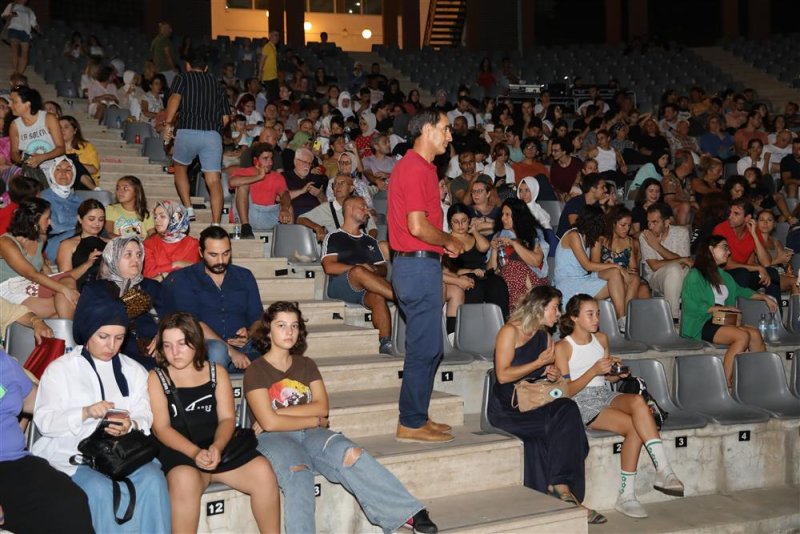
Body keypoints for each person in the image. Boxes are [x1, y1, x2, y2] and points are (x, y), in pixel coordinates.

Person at [244, 301, 439, 534]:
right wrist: (311, 418)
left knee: (351, 453)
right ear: (268, 330)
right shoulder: (256, 370)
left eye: (294, 326)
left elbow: (322, 407)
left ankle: (409, 513)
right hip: (274, 438)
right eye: (281, 325)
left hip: (311, 433)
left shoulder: (306, 365)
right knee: (299, 472)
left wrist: (283, 413)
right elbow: (270, 424)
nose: (289, 332)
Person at [32, 298, 171, 533]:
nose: (111, 346)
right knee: (98, 489)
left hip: (123, 454)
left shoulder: (132, 369)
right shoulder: (61, 369)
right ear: (87, 333)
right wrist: (84, 413)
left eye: (119, 338)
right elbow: (45, 422)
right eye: (103, 337)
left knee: (154, 480)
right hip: (73, 454)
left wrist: (131, 424)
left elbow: (144, 413)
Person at [148, 313, 281, 533]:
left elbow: (228, 418)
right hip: (181, 450)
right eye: (168, 345)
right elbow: (160, 428)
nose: (175, 352)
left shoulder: (215, 371)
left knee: (262, 470)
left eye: (182, 343)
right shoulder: (157, 377)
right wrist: (194, 453)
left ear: (196, 341)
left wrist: (217, 447)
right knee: (184, 480)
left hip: (218, 446)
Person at [555, 294, 684, 519]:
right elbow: (566, 391)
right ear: (574, 317)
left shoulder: (602, 339)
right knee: (634, 427)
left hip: (605, 394)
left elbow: (608, 380)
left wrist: (618, 373)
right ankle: (627, 496)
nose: (596, 318)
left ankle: (663, 470)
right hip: (581, 402)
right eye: (590, 314)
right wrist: (594, 371)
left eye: (598, 313)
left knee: (637, 400)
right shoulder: (563, 347)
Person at [486, 287, 601, 524]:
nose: (558, 314)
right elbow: (503, 375)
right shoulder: (509, 332)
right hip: (508, 409)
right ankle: (565, 492)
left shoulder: (544, 337)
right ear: (539, 308)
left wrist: (551, 372)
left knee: (567, 409)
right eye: (555, 307)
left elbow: (545, 378)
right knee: (567, 423)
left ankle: (560, 487)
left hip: (535, 402)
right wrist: (537, 363)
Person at [388, 110, 464, 443]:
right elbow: (417, 226)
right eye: (446, 130)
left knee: (432, 347)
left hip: (424, 265)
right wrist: (450, 240)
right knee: (423, 348)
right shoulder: (414, 168)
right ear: (428, 129)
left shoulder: (423, 168)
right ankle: (410, 422)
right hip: (415, 266)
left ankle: (418, 415)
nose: (450, 136)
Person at [0, 349, 94, 534]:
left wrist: (83, 413)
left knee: (72, 501)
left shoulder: (3, 361)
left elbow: (33, 400)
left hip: (14, 461)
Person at [161, 226, 263, 371]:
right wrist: (231, 352)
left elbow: (257, 318)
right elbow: (193, 324)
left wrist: (249, 333)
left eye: (226, 253)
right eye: (213, 255)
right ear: (201, 252)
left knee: (273, 343)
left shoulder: (244, 276)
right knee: (217, 350)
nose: (221, 261)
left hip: (245, 347)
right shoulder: (185, 278)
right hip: (205, 347)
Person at [681, 236, 775, 384]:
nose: (728, 252)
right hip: (701, 323)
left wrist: (764, 298)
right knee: (742, 336)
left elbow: (742, 291)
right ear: (711, 249)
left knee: (755, 334)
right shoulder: (695, 275)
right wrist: (719, 308)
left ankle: (758, 381)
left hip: (721, 320)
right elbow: (691, 305)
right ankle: (725, 383)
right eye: (724, 247)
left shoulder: (723, 275)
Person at [322, 196, 395, 355]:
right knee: (358, 271)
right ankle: (401, 298)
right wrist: (359, 268)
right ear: (348, 209)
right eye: (362, 207)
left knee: (377, 296)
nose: (367, 211)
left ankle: (385, 342)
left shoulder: (369, 240)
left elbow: (382, 269)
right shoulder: (334, 236)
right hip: (341, 285)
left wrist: (374, 271)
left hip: (367, 286)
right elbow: (329, 267)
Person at [75, 237, 163, 369]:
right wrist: (131, 304)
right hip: (114, 355)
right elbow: (79, 332)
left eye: (139, 255)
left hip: (158, 353)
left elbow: (175, 318)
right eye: (128, 255)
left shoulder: (152, 287)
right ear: (113, 257)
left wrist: (164, 335)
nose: (136, 260)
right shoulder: (95, 290)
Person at [164, 49, 229, 224]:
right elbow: (226, 118)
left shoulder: (183, 77)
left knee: (180, 168)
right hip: (212, 135)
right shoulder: (217, 84)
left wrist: (168, 124)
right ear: (206, 68)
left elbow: (174, 99)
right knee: (214, 180)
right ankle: (216, 222)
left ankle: (189, 208)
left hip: (187, 130)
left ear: (188, 65)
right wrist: (213, 131)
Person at [0, 198, 79, 319]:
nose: (50, 223)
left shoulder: (40, 238)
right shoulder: (6, 243)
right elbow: (31, 273)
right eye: (47, 218)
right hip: (9, 289)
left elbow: (40, 265)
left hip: (31, 283)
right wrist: (63, 290)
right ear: (34, 221)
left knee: (68, 281)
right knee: (62, 304)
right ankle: (66, 331)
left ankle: (63, 330)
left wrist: (54, 279)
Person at [555, 204, 628, 330]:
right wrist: (617, 265)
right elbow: (587, 265)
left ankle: (621, 319)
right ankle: (615, 319)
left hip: (583, 278)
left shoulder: (587, 237)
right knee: (617, 274)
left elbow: (592, 265)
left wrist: (615, 268)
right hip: (568, 282)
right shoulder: (573, 235)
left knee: (616, 275)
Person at [443, 203, 509, 331]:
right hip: (462, 276)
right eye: (456, 222)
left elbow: (484, 247)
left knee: (498, 283)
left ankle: (501, 328)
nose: (461, 225)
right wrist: (471, 271)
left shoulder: (474, 237)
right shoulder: (448, 241)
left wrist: (474, 231)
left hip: (482, 273)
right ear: (450, 223)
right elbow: (448, 270)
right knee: (474, 287)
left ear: (469, 220)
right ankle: (472, 331)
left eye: (464, 221)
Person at [713, 198, 782, 307]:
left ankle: (776, 318)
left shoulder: (753, 230)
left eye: (736, 214)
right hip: (722, 275)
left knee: (772, 273)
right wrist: (758, 268)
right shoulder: (721, 229)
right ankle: (741, 313)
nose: (730, 216)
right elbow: (727, 264)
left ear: (747, 218)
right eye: (730, 212)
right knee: (742, 272)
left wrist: (754, 234)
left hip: (743, 274)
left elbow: (766, 263)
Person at [486, 198, 549, 313]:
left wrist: (514, 243)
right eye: (502, 214)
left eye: (507, 215)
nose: (503, 218)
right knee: (510, 269)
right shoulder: (499, 235)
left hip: (532, 278)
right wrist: (494, 250)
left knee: (516, 267)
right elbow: (490, 270)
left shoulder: (533, 233)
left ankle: (520, 310)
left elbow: (536, 261)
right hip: (505, 282)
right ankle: (523, 310)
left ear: (517, 216)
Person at [638, 203, 692, 321]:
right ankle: (673, 317)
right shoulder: (645, 236)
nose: (650, 226)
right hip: (656, 278)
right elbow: (654, 265)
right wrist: (680, 259)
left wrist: (657, 246)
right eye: (648, 222)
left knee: (695, 272)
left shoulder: (681, 233)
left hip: (683, 274)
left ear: (666, 222)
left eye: (655, 222)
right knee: (674, 269)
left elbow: (684, 264)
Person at [228, 144, 293, 237]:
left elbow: (285, 194)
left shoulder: (277, 176)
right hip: (247, 215)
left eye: (271, 159)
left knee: (289, 206)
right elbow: (232, 183)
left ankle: (289, 240)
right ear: (255, 160)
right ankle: (246, 228)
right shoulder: (243, 172)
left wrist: (285, 208)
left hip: (267, 214)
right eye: (266, 158)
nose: (270, 162)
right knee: (242, 186)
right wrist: (259, 177)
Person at [592, 206, 650, 303]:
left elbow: (634, 268)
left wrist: (626, 272)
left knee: (642, 288)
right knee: (636, 283)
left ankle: (626, 316)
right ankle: (625, 316)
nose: (627, 229)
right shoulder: (600, 240)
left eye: (629, 225)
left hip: (627, 277)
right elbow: (594, 266)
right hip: (605, 276)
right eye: (623, 225)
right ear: (613, 224)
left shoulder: (629, 241)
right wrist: (619, 269)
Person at [298, 174, 377, 242]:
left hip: (363, 245)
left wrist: (367, 242)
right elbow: (300, 219)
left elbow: (373, 229)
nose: (337, 186)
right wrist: (317, 227)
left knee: (383, 246)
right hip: (342, 249)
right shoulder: (327, 208)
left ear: (351, 188)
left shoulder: (360, 204)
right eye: (334, 184)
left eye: (342, 183)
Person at [9, 86, 65, 173]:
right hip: (31, 171)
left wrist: (42, 157)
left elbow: (61, 148)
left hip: (55, 169)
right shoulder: (15, 125)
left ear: (28, 103)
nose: (10, 105)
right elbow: (14, 152)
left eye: (14, 102)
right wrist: (23, 161)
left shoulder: (49, 118)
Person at [56, 198, 107, 289]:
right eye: (91, 219)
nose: (97, 224)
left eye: (101, 220)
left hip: (110, 287)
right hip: (84, 289)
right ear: (80, 219)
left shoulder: (110, 243)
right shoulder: (67, 244)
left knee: (136, 295)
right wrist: (88, 263)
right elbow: (64, 279)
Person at [143, 200, 200, 281]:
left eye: (162, 216)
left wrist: (162, 273)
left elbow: (193, 274)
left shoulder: (193, 244)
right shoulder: (149, 243)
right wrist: (176, 264)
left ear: (176, 218)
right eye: (155, 217)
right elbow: (149, 274)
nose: (156, 220)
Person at [39, 156, 82, 259]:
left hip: (78, 241)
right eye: (58, 169)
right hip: (53, 244)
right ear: (52, 173)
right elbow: (51, 228)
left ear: (74, 174)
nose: (63, 172)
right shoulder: (43, 198)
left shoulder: (80, 201)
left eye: (68, 169)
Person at [555, 173, 607, 239]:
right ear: (593, 189)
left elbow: (603, 228)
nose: (606, 190)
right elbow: (576, 228)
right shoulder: (575, 203)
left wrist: (602, 205)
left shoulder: (597, 204)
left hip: (585, 241)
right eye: (603, 187)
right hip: (567, 243)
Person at [60, 115, 100, 189]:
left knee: (70, 161)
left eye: (66, 127)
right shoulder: (53, 148)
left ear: (75, 130)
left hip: (82, 185)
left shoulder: (86, 146)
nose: (62, 130)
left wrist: (74, 164)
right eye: (59, 128)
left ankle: (94, 189)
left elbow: (94, 170)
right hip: (61, 182)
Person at [2, 0, 37, 74]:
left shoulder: (29, 10)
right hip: (14, 29)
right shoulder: (12, 5)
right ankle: (15, 70)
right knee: (15, 49)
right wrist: (10, 16)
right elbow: (4, 16)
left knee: (25, 53)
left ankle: (20, 73)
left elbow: (34, 23)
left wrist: (38, 29)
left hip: (26, 32)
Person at [151, 21, 179, 88]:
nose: (171, 30)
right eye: (169, 28)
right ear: (163, 29)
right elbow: (168, 55)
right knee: (172, 90)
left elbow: (153, 57)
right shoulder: (165, 40)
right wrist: (174, 68)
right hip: (168, 70)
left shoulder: (155, 40)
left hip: (159, 71)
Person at [259, 30, 280, 103]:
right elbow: (262, 62)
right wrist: (260, 76)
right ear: (270, 36)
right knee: (271, 98)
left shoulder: (273, 47)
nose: (277, 37)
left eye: (278, 35)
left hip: (273, 76)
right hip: (268, 77)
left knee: (275, 97)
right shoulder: (267, 46)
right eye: (275, 35)